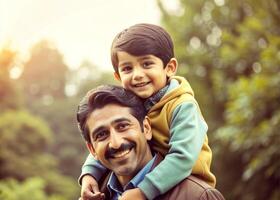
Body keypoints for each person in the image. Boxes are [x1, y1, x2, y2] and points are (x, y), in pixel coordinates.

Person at [79, 23, 216, 200]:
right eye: (127, 68)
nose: (137, 74)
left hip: (183, 184)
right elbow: (107, 144)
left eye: (146, 64)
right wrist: (89, 174)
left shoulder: (183, 106)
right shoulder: (135, 105)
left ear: (170, 67)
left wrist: (143, 191)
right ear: (118, 76)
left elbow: (183, 158)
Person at [76, 85, 224, 200]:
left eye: (123, 126)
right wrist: (88, 174)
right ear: (92, 149)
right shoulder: (94, 194)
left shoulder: (199, 196)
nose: (115, 143)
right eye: (101, 135)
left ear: (146, 128)